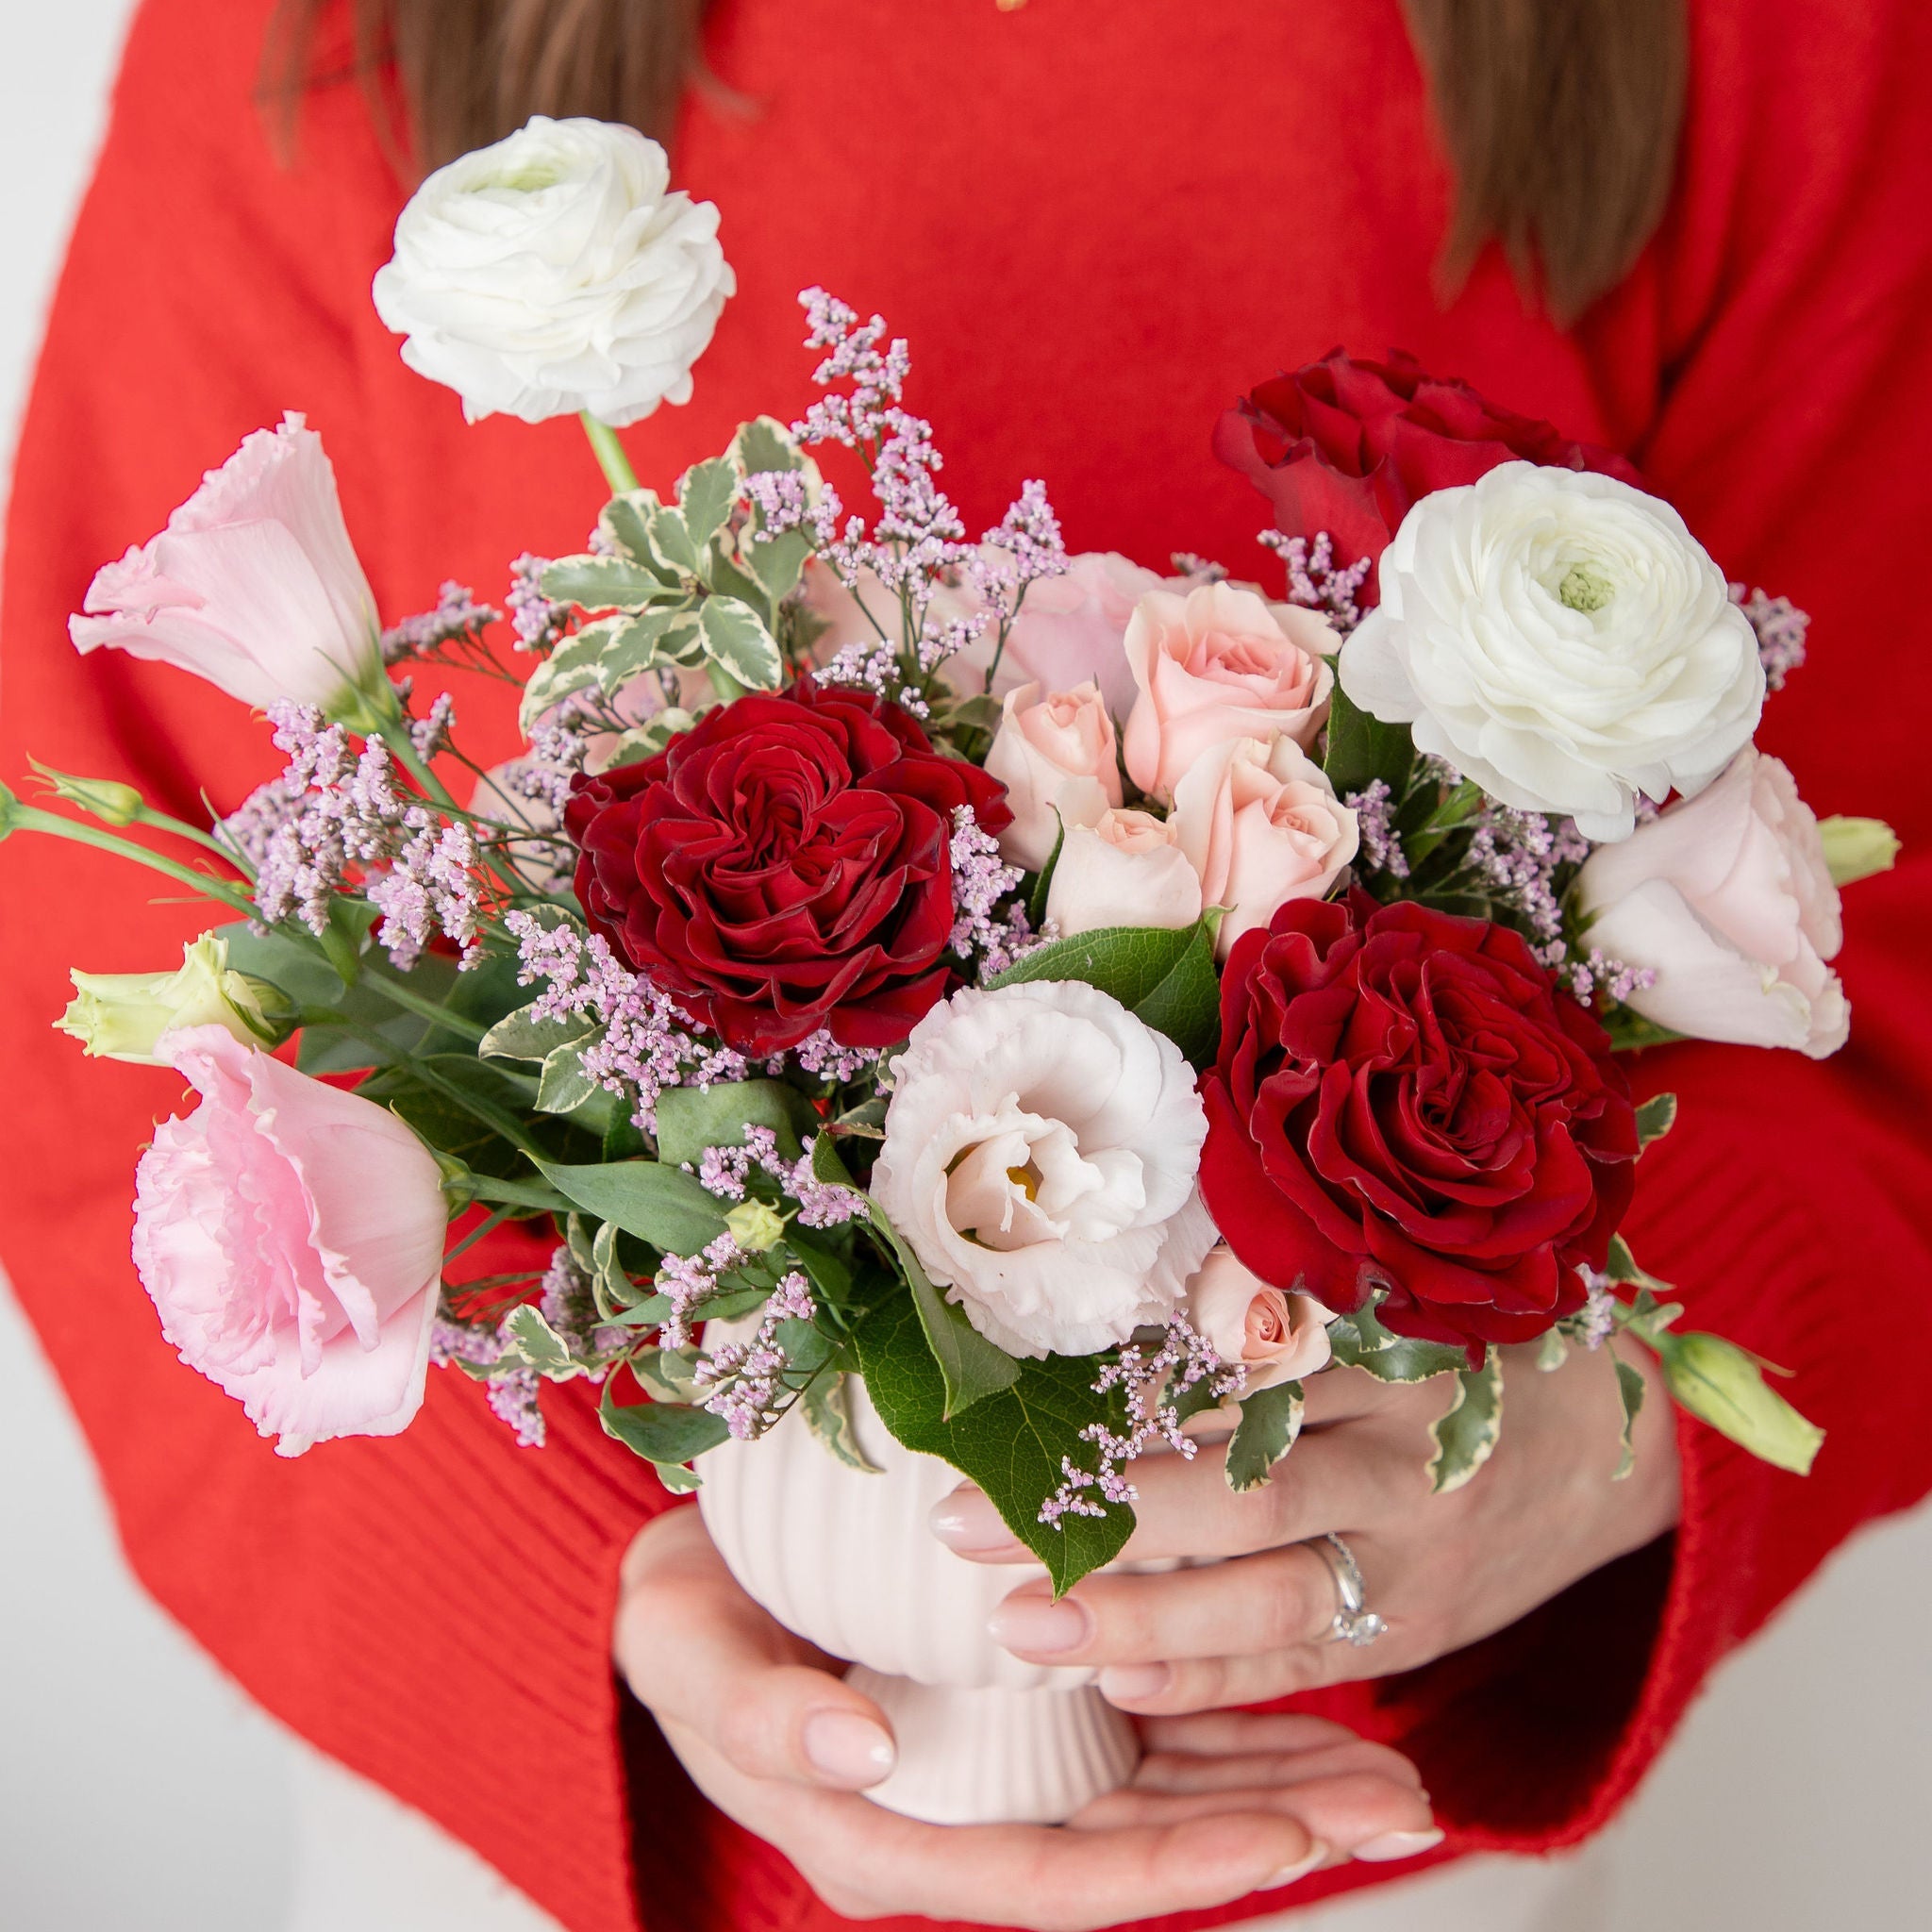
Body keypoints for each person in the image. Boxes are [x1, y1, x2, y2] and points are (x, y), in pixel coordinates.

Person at [3, 1, 1930, 1929]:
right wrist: (595, 1579)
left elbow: (1890, 972)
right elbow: (96, 1042)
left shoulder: (1766, 36)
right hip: (552, 1849)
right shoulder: (330, 26)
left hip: (1353, 1842)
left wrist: (1607, 1429)